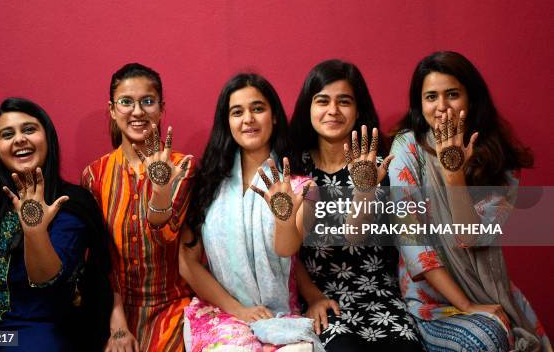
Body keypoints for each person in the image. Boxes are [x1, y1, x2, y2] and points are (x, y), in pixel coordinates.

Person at [389, 51, 551, 351]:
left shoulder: (498, 160)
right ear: (419, 104)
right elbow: (413, 243)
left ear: (471, 99)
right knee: (486, 339)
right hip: (430, 301)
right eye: (431, 97)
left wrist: (454, 179)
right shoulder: (407, 148)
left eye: (452, 94)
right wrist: (464, 305)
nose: (441, 107)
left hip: (488, 291)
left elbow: (471, 237)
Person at [0, 97, 112, 351]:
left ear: (48, 140)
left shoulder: (70, 202)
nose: (19, 139)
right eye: (7, 134)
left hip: (36, 331)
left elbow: (47, 278)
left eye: (29, 129)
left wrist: (35, 231)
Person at [287, 59, 423, 351]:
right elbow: (287, 252)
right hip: (322, 298)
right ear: (308, 108)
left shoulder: (380, 168)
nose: (332, 111)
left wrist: (364, 190)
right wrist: (312, 297)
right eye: (322, 101)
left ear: (358, 109)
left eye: (344, 101)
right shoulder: (295, 169)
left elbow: (357, 234)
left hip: (380, 296)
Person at [180, 73, 321, 351]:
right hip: (220, 314)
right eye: (237, 112)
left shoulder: (301, 187)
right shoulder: (208, 182)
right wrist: (238, 310)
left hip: (278, 315)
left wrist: (283, 217)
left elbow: (286, 249)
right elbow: (187, 262)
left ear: (275, 116)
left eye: (258, 108)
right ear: (227, 122)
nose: (248, 119)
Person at [82, 63, 193, 351]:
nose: (137, 111)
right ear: (111, 109)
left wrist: (160, 190)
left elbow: (165, 236)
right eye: (126, 102)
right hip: (113, 309)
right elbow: (99, 258)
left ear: (161, 107)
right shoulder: (94, 175)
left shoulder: (183, 167)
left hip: (173, 306)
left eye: (147, 101)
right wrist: (117, 324)